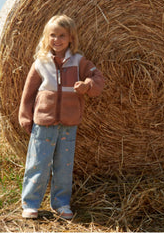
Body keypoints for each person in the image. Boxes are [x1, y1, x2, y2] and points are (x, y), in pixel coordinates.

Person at [18, 14, 104, 220]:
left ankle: (62, 203)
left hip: (68, 123)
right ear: (47, 38)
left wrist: (87, 86)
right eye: (52, 35)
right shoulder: (40, 63)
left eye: (62, 35)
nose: (57, 39)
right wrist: (25, 115)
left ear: (71, 38)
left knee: (64, 165)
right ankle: (30, 203)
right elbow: (28, 93)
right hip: (43, 122)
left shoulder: (79, 61)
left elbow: (98, 78)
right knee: (38, 162)